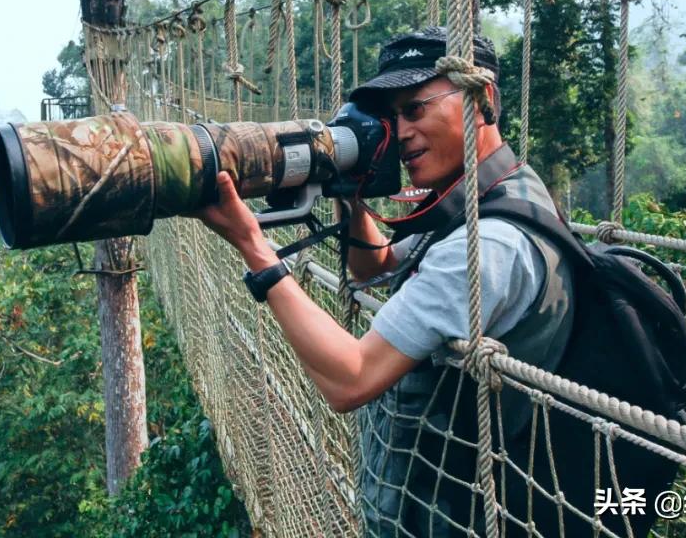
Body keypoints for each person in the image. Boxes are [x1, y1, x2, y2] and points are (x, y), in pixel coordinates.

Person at [194, 27, 575, 537]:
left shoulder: (488, 245)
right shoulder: (495, 195)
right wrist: (351, 195)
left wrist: (254, 247)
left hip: (454, 514)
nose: (401, 134)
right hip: (438, 502)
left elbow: (350, 379)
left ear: (482, 100)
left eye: (415, 110)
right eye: (393, 118)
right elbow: (377, 266)